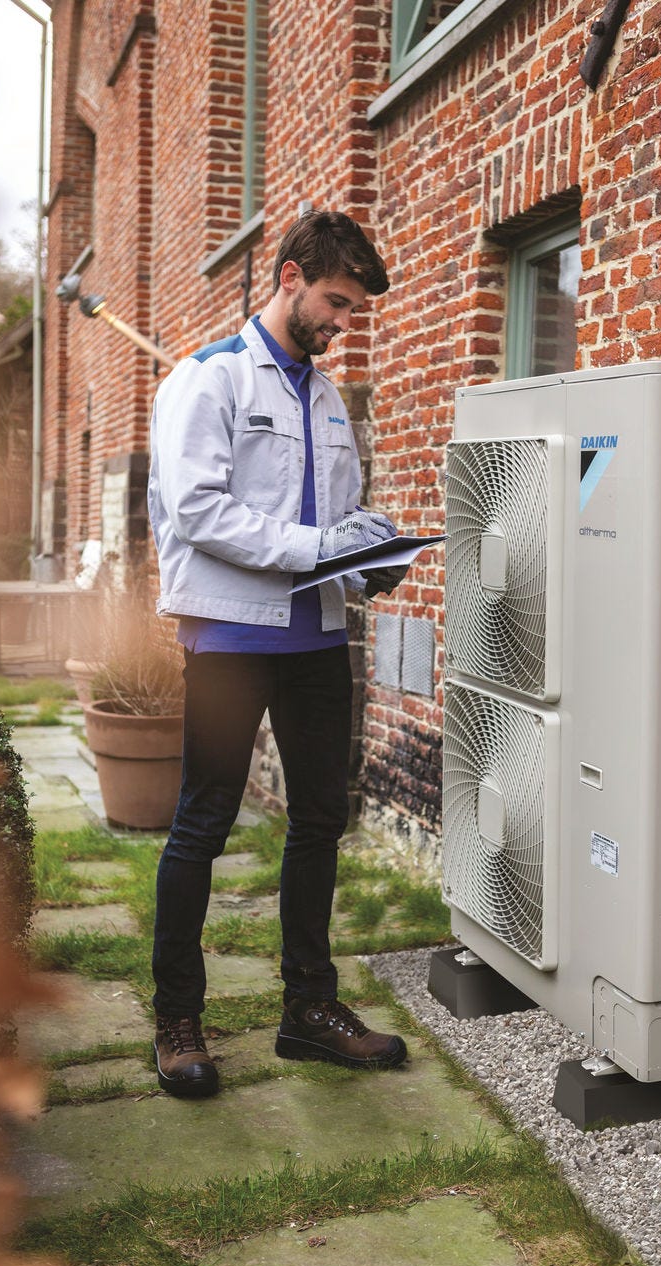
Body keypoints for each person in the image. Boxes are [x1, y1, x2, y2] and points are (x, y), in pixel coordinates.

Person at [147, 210, 409, 1098]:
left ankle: (309, 1009)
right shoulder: (208, 377)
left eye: (352, 309)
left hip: (317, 638)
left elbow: (336, 519)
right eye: (335, 301)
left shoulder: (328, 398)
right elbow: (197, 511)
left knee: (320, 820)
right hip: (229, 636)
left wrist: (370, 557)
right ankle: (177, 1020)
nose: (342, 322)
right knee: (203, 822)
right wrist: (320, 547)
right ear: (290, 276)